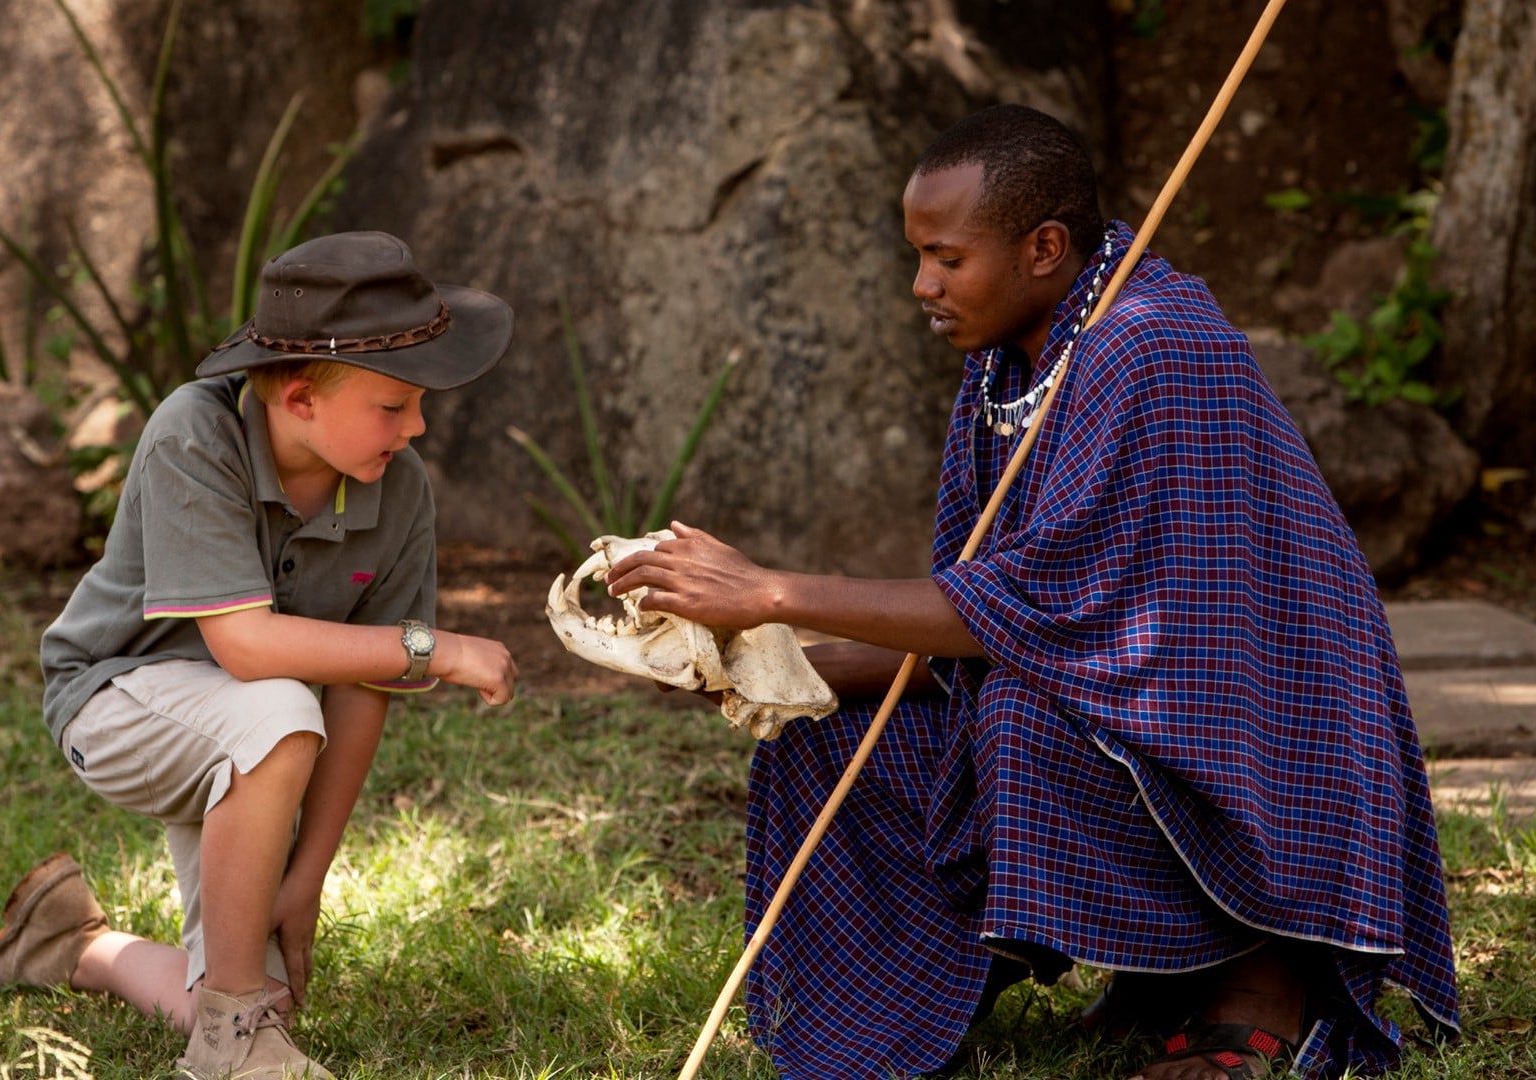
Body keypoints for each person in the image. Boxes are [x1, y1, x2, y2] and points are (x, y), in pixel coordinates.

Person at [604, 105, 1460, 1080]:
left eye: (945, 257)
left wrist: (769, 591)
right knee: (822, 722)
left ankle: (1261, 980)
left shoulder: (1147, 350)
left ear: (1044, 247)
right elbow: (1003, 616)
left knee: (1020, 716)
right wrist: (777, 666)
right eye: (917, 256)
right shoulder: (1015, 353)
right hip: (1110, 697)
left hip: (1258, 756)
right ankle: (931, 1009)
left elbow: (1034, 618)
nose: (922, 284)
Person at [0, 232, 519, 1080]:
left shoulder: (398, 488)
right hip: (116, 702)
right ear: (300, 398)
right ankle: (224, 1047)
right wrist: (434, 648)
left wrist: (309, 871)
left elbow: (364, 688)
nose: (417, 427)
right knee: (281, 706)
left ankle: (73, 944)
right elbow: (247, 646)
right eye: (394, 405)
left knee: (262, 995)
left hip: (241, 732)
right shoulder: (196, 430)